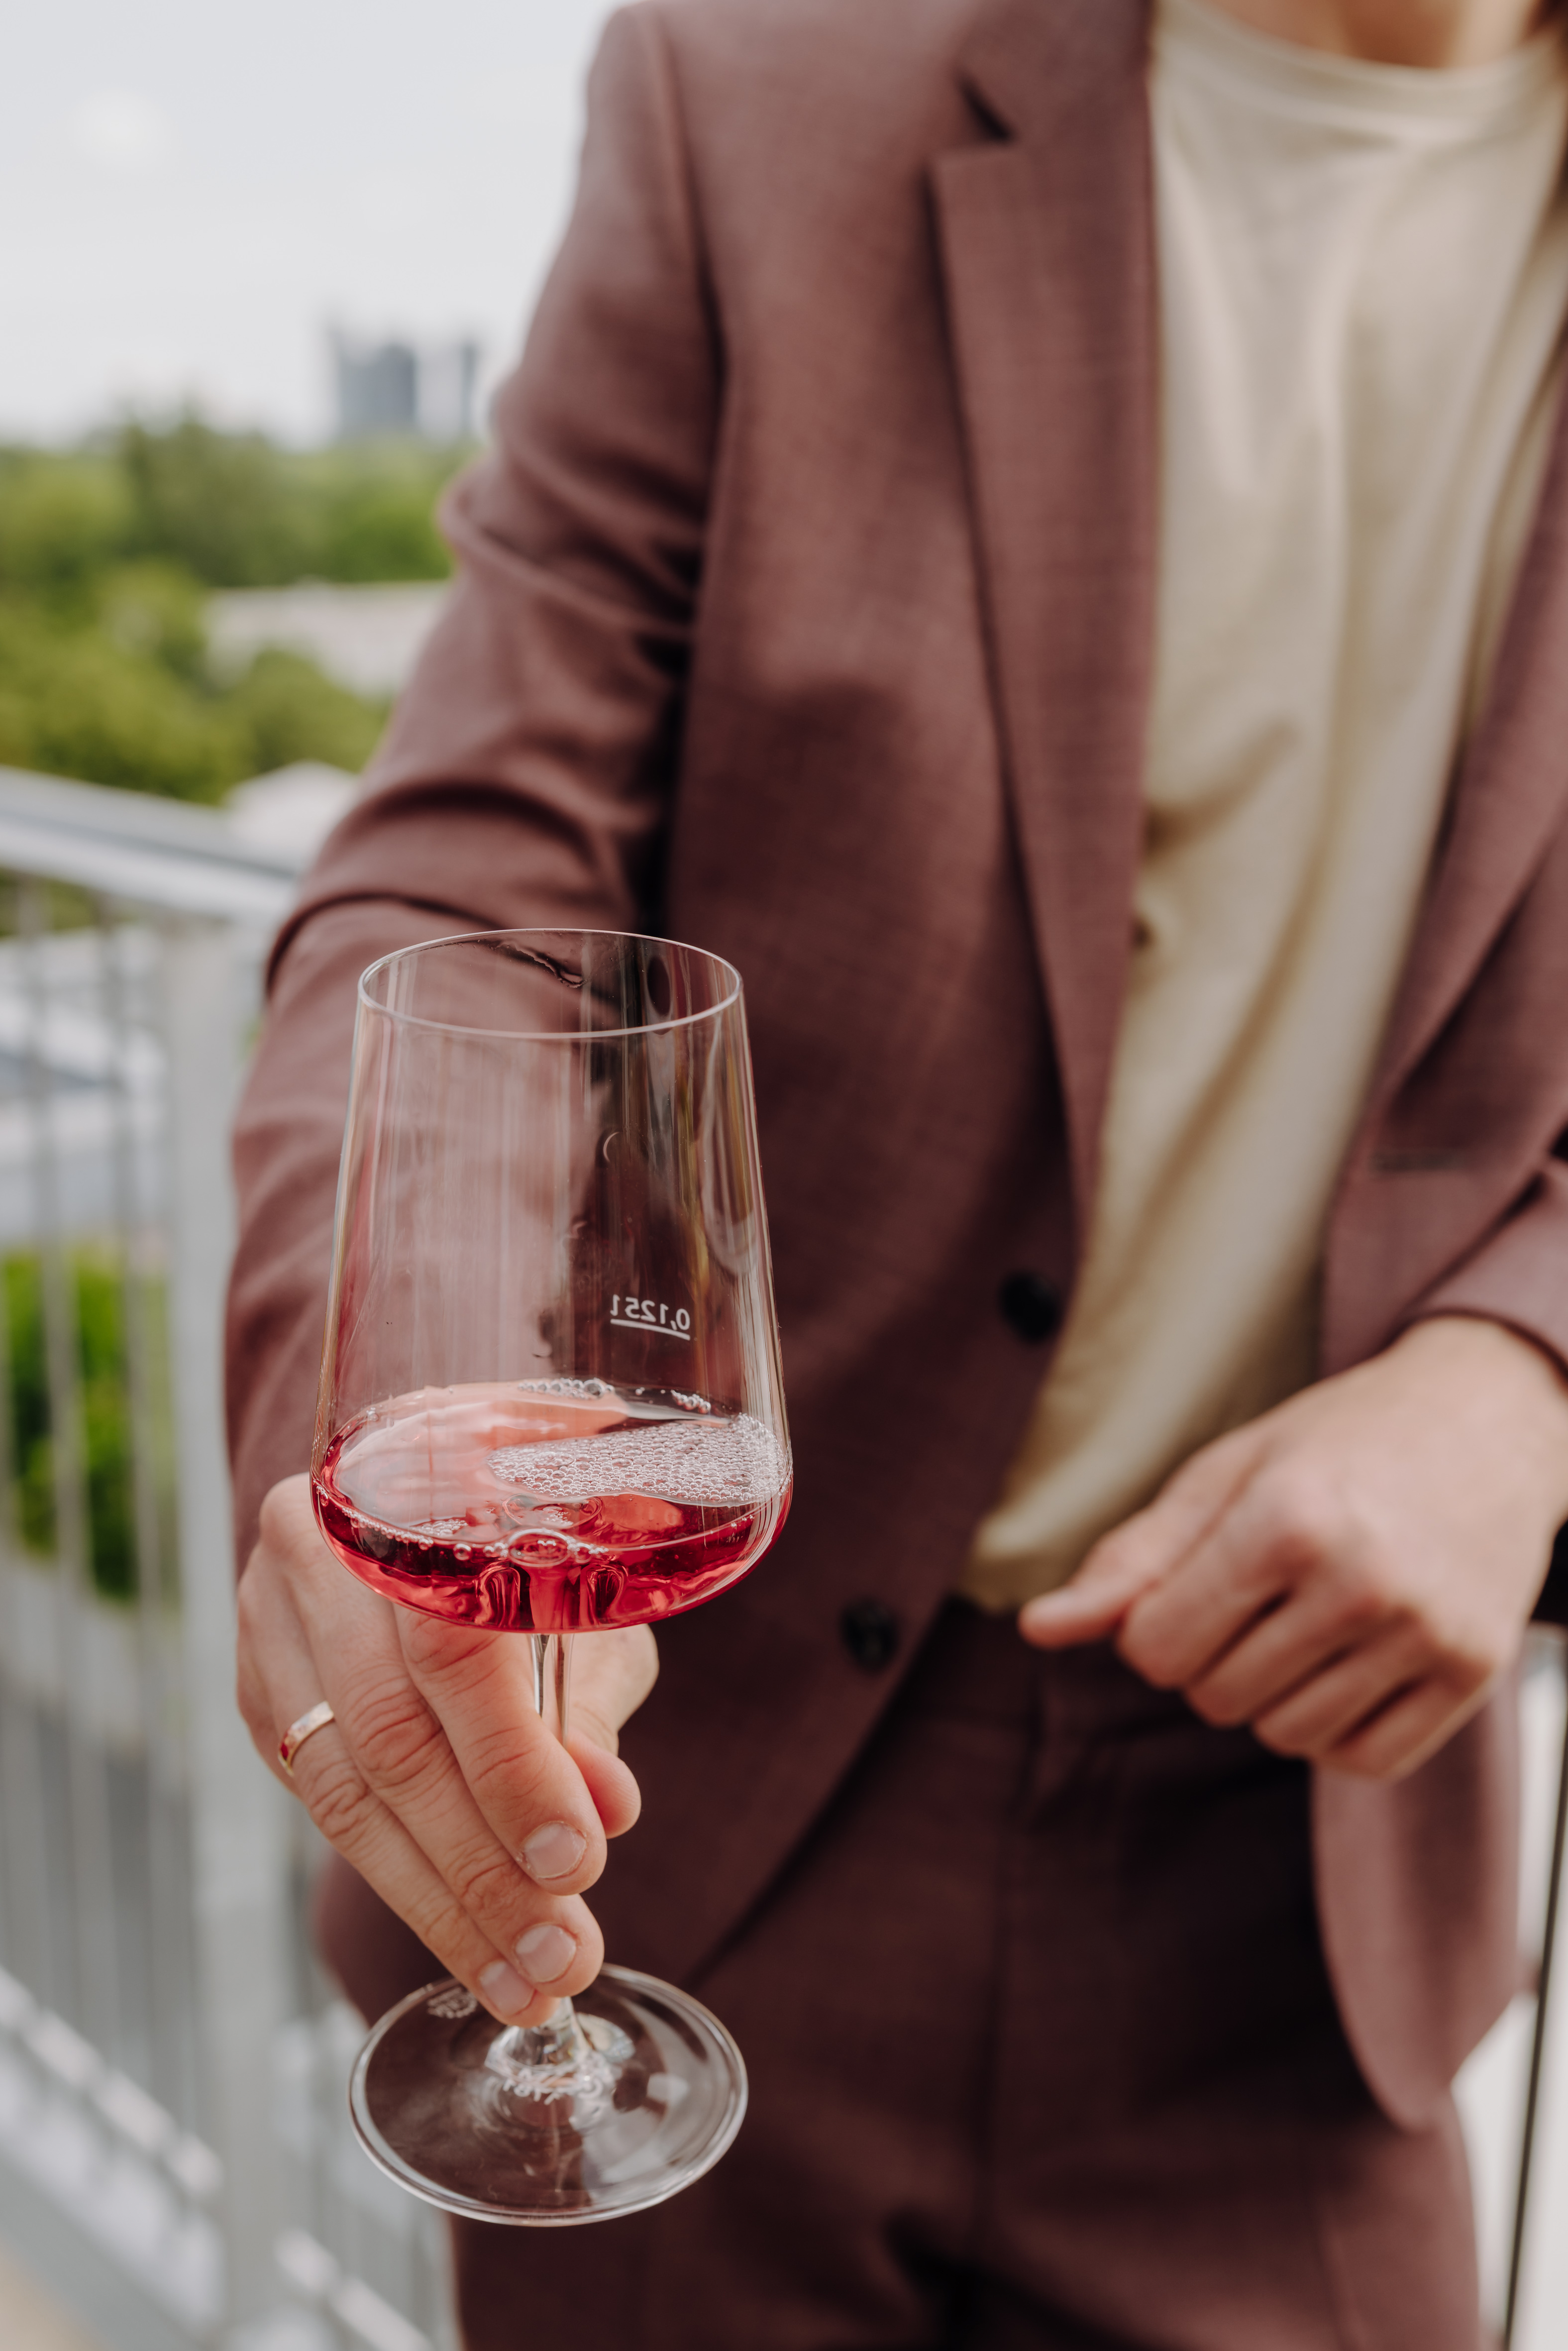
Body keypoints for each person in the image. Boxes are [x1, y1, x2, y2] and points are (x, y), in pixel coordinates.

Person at [227, 0, 1568, 2341]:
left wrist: (1531, 1356)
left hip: (1301, 1887)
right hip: (686, 1820)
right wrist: (410, 1432)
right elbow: (467, 855)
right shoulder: (753, 89)